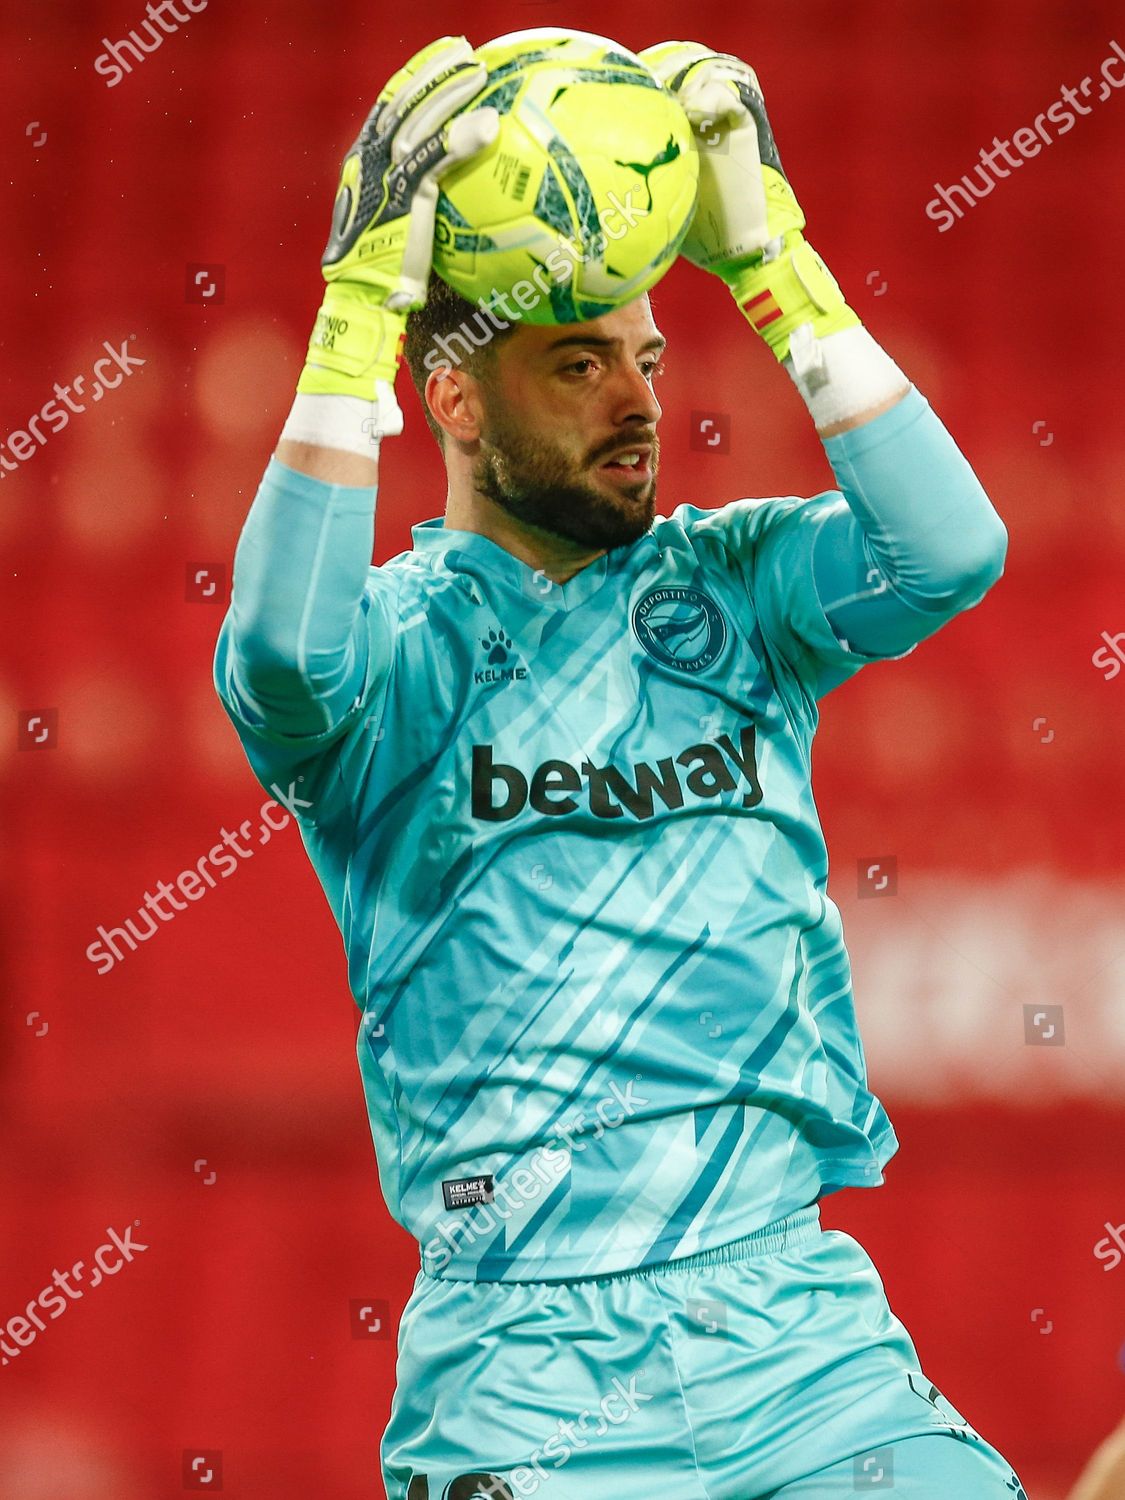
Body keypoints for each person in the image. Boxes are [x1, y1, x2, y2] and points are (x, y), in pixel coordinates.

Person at [215, 33, 1029, 1500]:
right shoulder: (388, 661)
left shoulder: (737, 591)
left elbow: (952, 551)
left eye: (647, 358)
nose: (637, 401)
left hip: (799, 1341)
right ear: (452, 398)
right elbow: (276, 654)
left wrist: (772, 259)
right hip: (523, 1384)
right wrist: (354, 315)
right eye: (576, 362)